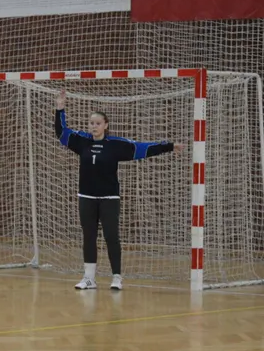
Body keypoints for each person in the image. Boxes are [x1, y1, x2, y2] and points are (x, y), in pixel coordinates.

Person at [55, 89, 183, 290]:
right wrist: (60, 108)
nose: (94, 126)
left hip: (109, 198)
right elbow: (61, 133)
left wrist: (169, 146)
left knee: (111, 236)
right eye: (91, 123)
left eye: (98, 123)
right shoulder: (81, 141)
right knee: (89, 236)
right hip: (86, 197)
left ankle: (116, 277)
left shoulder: (116, 145)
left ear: (106, 125)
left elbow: (143, 148)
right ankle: (89, 278)